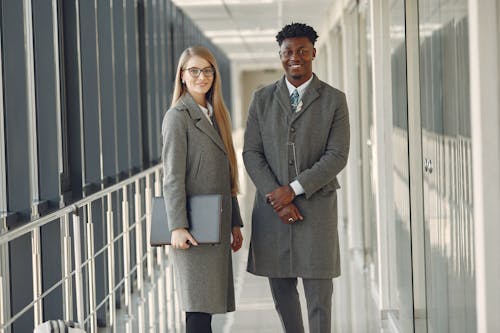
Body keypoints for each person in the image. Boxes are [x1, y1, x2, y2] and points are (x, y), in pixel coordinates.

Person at [243, 23, 350, 332]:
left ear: (313, 53)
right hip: (272, 212)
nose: (295, 57)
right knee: (283, 295)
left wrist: (292, 190)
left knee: (319, 297)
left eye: (302, 51)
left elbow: (337, 156)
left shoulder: (334, 100)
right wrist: (278, 197)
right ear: (280, 56)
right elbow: (251, 153)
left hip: (316, 210)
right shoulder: (261, 99)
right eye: (288, 52)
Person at [161, 46, 243, 333]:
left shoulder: (216, 114)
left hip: (216, 223)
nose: (201, 76)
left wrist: (235, 222)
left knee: (206, 308)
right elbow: (172, 177)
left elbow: (227, 174)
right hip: (193, 227)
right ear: (182, 76)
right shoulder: (177, 116)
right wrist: (177, 226)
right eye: (194, 70)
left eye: (207, 70)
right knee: (197, 308)